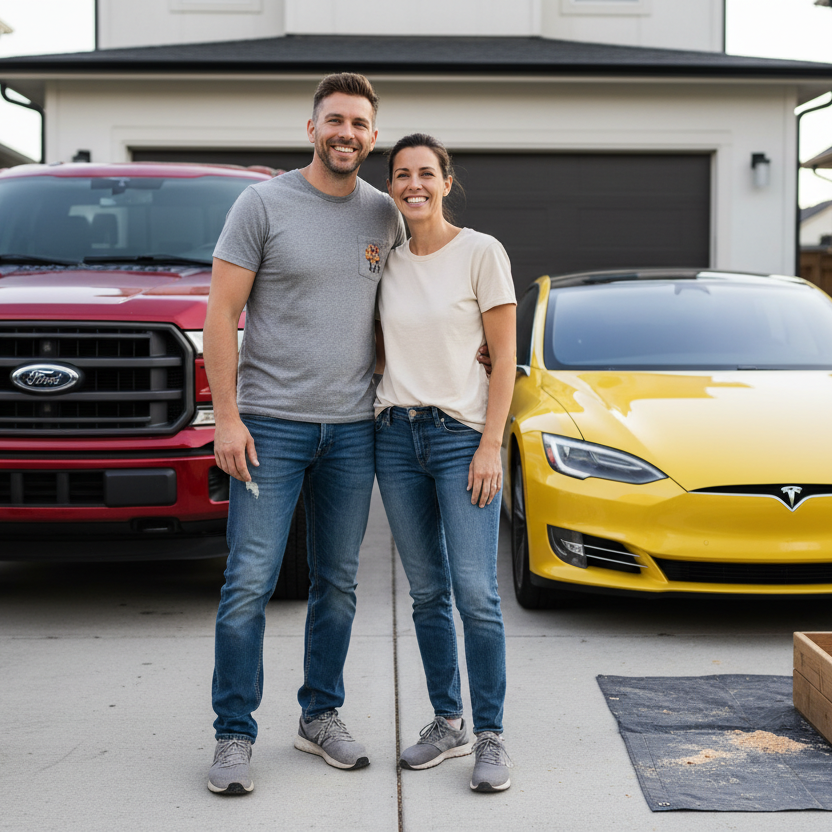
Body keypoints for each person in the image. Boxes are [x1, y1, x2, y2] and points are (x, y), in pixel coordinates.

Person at [202, 72, 406, 795]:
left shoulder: (384, 214)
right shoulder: (262, 204)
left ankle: (320, 716)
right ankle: (233, 733)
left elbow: (414, 302)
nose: (346, 133)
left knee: (338, 583)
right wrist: (227, 417)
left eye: (359, 123)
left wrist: (476, 346)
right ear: (312, 128)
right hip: (269, 428)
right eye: (335, 120)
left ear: (372, 136)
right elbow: (220, 313)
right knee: (249, 582)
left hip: (352, 430)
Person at [374, 134, 517, 792]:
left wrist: (491, 443)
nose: (414, 184)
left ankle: (490, 735)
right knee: (427, 593)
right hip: (394, 435)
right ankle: (447, 722)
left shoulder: (481, 252)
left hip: (462, 437)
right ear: (391, 187)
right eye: (402, 174)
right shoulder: (386, 262)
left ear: (446, 182)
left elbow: (504, 357)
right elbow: (380, 345)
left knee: (477, 594)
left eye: (426, 173)